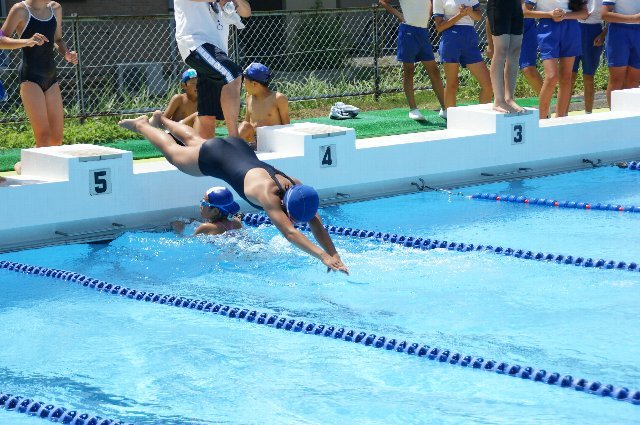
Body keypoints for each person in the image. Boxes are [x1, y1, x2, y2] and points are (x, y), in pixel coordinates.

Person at [118, 112, 349, 274]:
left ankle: (162, 119)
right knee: (174, 153)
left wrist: (334, 254)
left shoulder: (295, 186)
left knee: (194, 139)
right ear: (287, 207)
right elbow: (289, 234)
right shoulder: (267, 196)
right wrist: (322, 256)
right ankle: (143, 125)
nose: (294, 220)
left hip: (236, 148)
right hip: (215, 159)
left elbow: (315, 221)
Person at [0, 0, 78, 173]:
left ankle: (24, 165)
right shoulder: (21, 10)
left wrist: (66, 53)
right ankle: (29, 168)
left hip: (51, 77)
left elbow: (57, 39)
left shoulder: (55, 8)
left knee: (56, 140)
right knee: (43, 138)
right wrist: (26, 41)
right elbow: (0, 39)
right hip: (30, 78)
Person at [172, 0, 251, 139]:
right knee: (233, 74)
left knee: (208, 114)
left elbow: (246, 12)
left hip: (214, 52)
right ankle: (234, 138)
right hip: (195, 43)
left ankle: (204, 151)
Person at [379, 0, 447, 121]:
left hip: (423, 32)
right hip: (408, 31)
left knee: (434, 71)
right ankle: (413, 109)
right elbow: (383, 1)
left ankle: (444, 108)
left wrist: (429, 13)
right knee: (409, 71)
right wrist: (399, 15)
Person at [524, 0, 588, 119]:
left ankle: (560, 119)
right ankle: (542, 120)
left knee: (566, 77)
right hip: (547, 27)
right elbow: (525, 11)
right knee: (552, 76)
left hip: (571, 27)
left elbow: (584, 13)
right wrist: (549, 14)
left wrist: (565, 15)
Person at [433, 0, 493, 111]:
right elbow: (439, 27)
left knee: (488, 84)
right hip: (450, 41)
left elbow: (478, 16)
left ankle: (482, 118)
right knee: (452, 84)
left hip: (470, 40)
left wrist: (470, 12)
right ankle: (451, 119)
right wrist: (460, 15)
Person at [485, 0, 526, 113]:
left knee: (515, 50)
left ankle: (509, 98)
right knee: (501, 50)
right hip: (498, 5)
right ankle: (498, 100)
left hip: (516, 5)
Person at [487, 17, 543, 95]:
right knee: (502, 70)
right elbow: (491, 15)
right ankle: (506, 102)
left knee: (528, 69)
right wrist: (490, 44)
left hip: (526, 25)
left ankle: (547, 103)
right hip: (504, 27)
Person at [239, 62, 290, 149]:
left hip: (273, 142)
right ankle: (229, 151)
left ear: (254, 84)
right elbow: (247, 122)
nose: (243, 85)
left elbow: (287, 126)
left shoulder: (278, 98)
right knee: (244, 126)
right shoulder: (249, 97)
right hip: (254, 141)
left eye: (244, 82)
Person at [600, 0, 640, 107]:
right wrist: (633, 19)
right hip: (618, 33)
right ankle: (613, 118)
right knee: (616, 80)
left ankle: (630, 118)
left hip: (638, 34)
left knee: (634, 81)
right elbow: (604, 14)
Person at [571, 0, 606, 114]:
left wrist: (603, 34)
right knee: (569, 76)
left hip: (594, 31)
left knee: (589, 76)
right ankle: (562, 115)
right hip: (573, 27)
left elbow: (612, 16)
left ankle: (588, 114)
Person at [172, 186, 243, 236]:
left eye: (203, 203)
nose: (200, 205)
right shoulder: (237, 222)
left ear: (215, 211)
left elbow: (189, 242)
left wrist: (178, 231)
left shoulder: (204, 227)